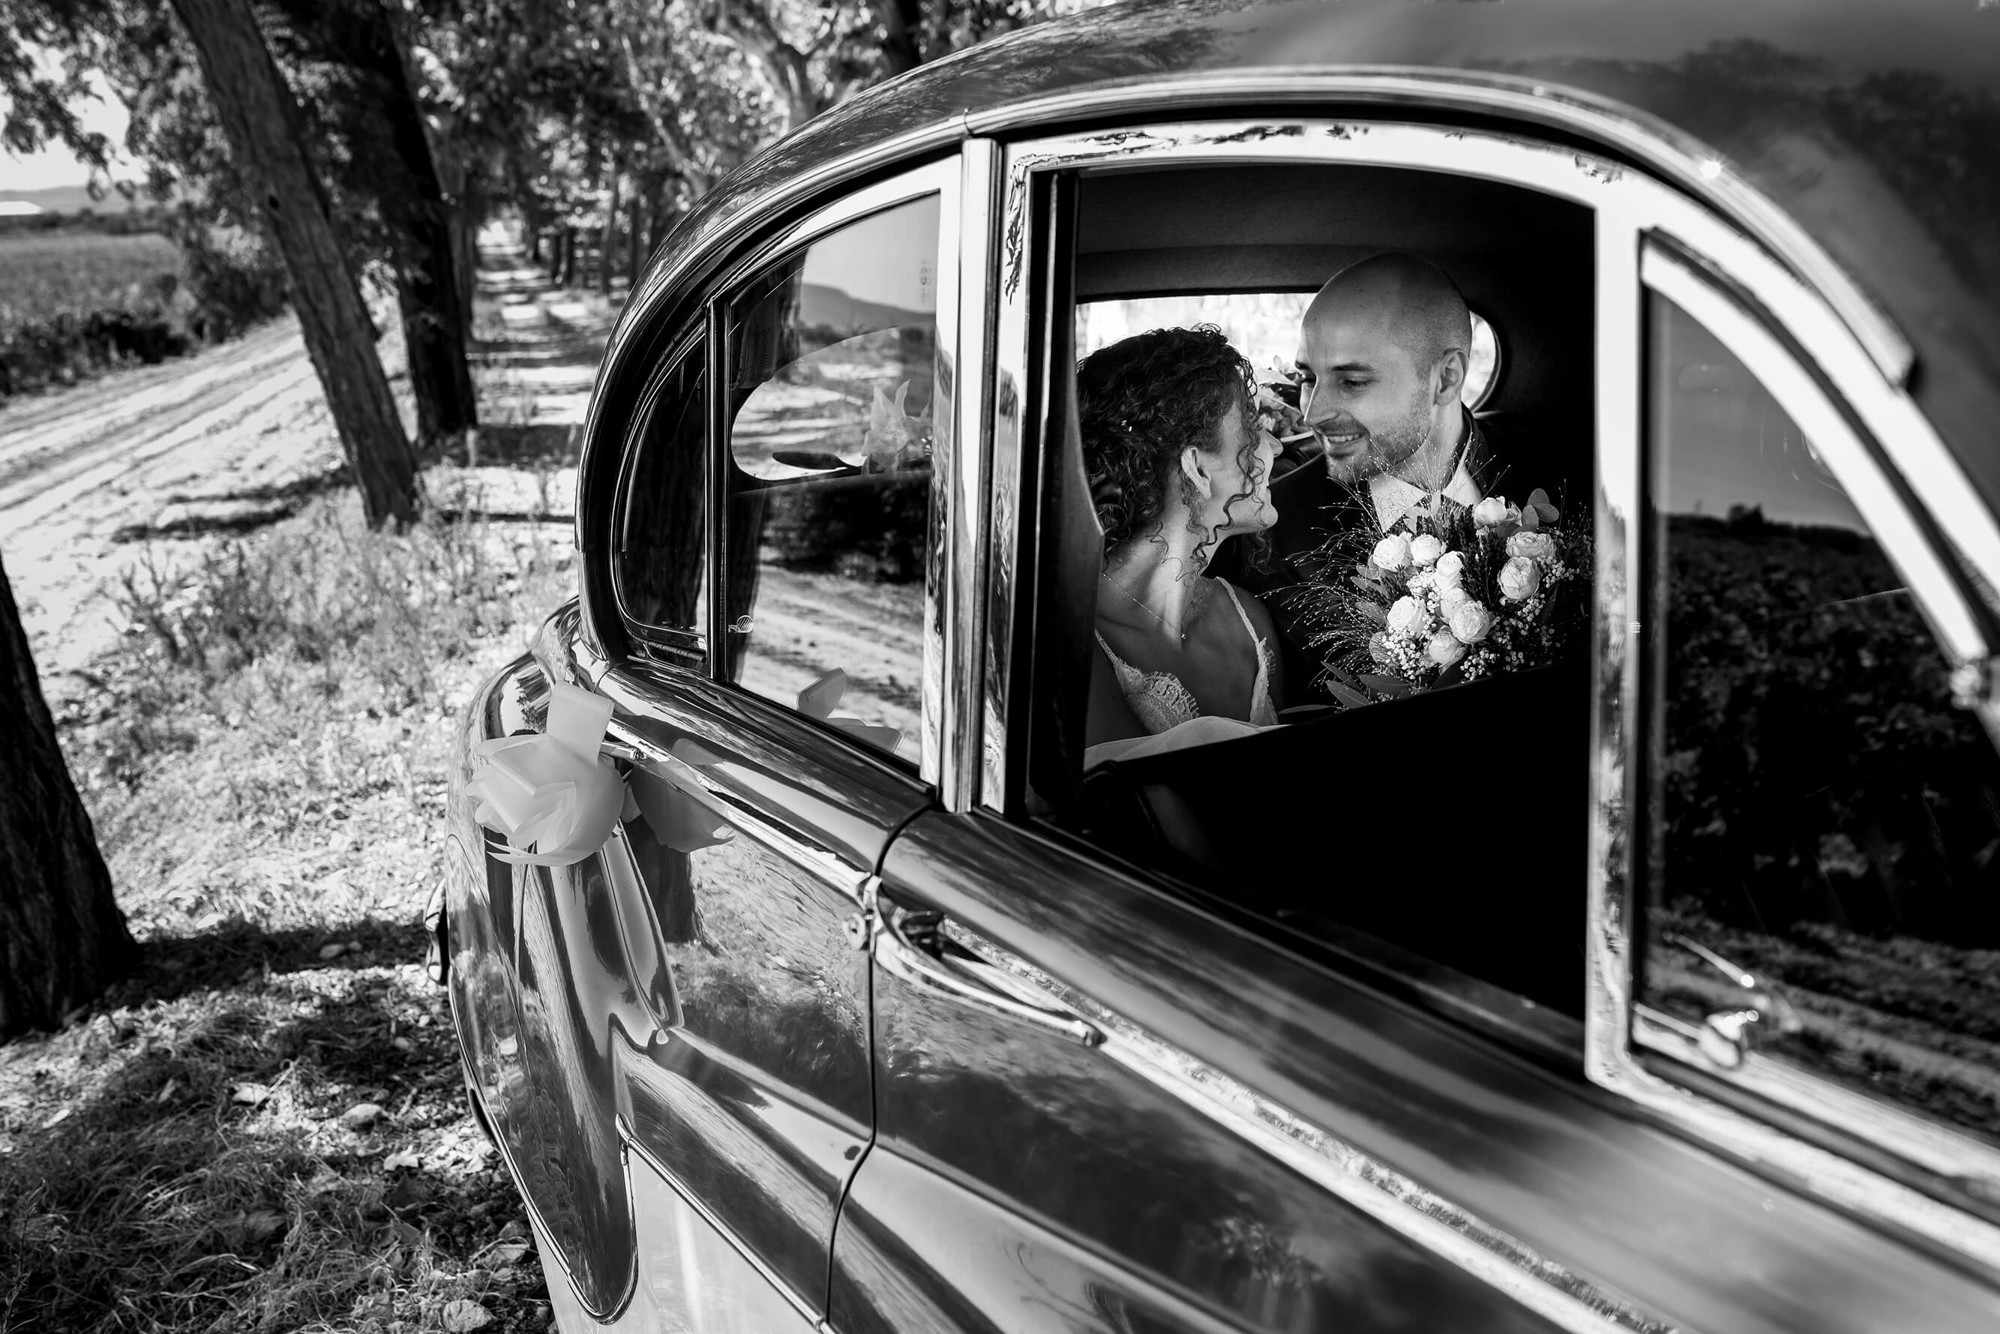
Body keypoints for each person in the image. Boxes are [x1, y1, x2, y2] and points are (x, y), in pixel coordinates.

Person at [1234, 252, 1575, 693]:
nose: (1312, 414)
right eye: (1306, 378)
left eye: (1352, 381)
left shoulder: (1564, 469)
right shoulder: (1279, 531)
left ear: (1446, 379)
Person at [1080, 326, 1286, 762]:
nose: (1276, 445)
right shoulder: (1076, 638)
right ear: (1197, 469)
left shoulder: (1249, 620)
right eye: (1251, 428)